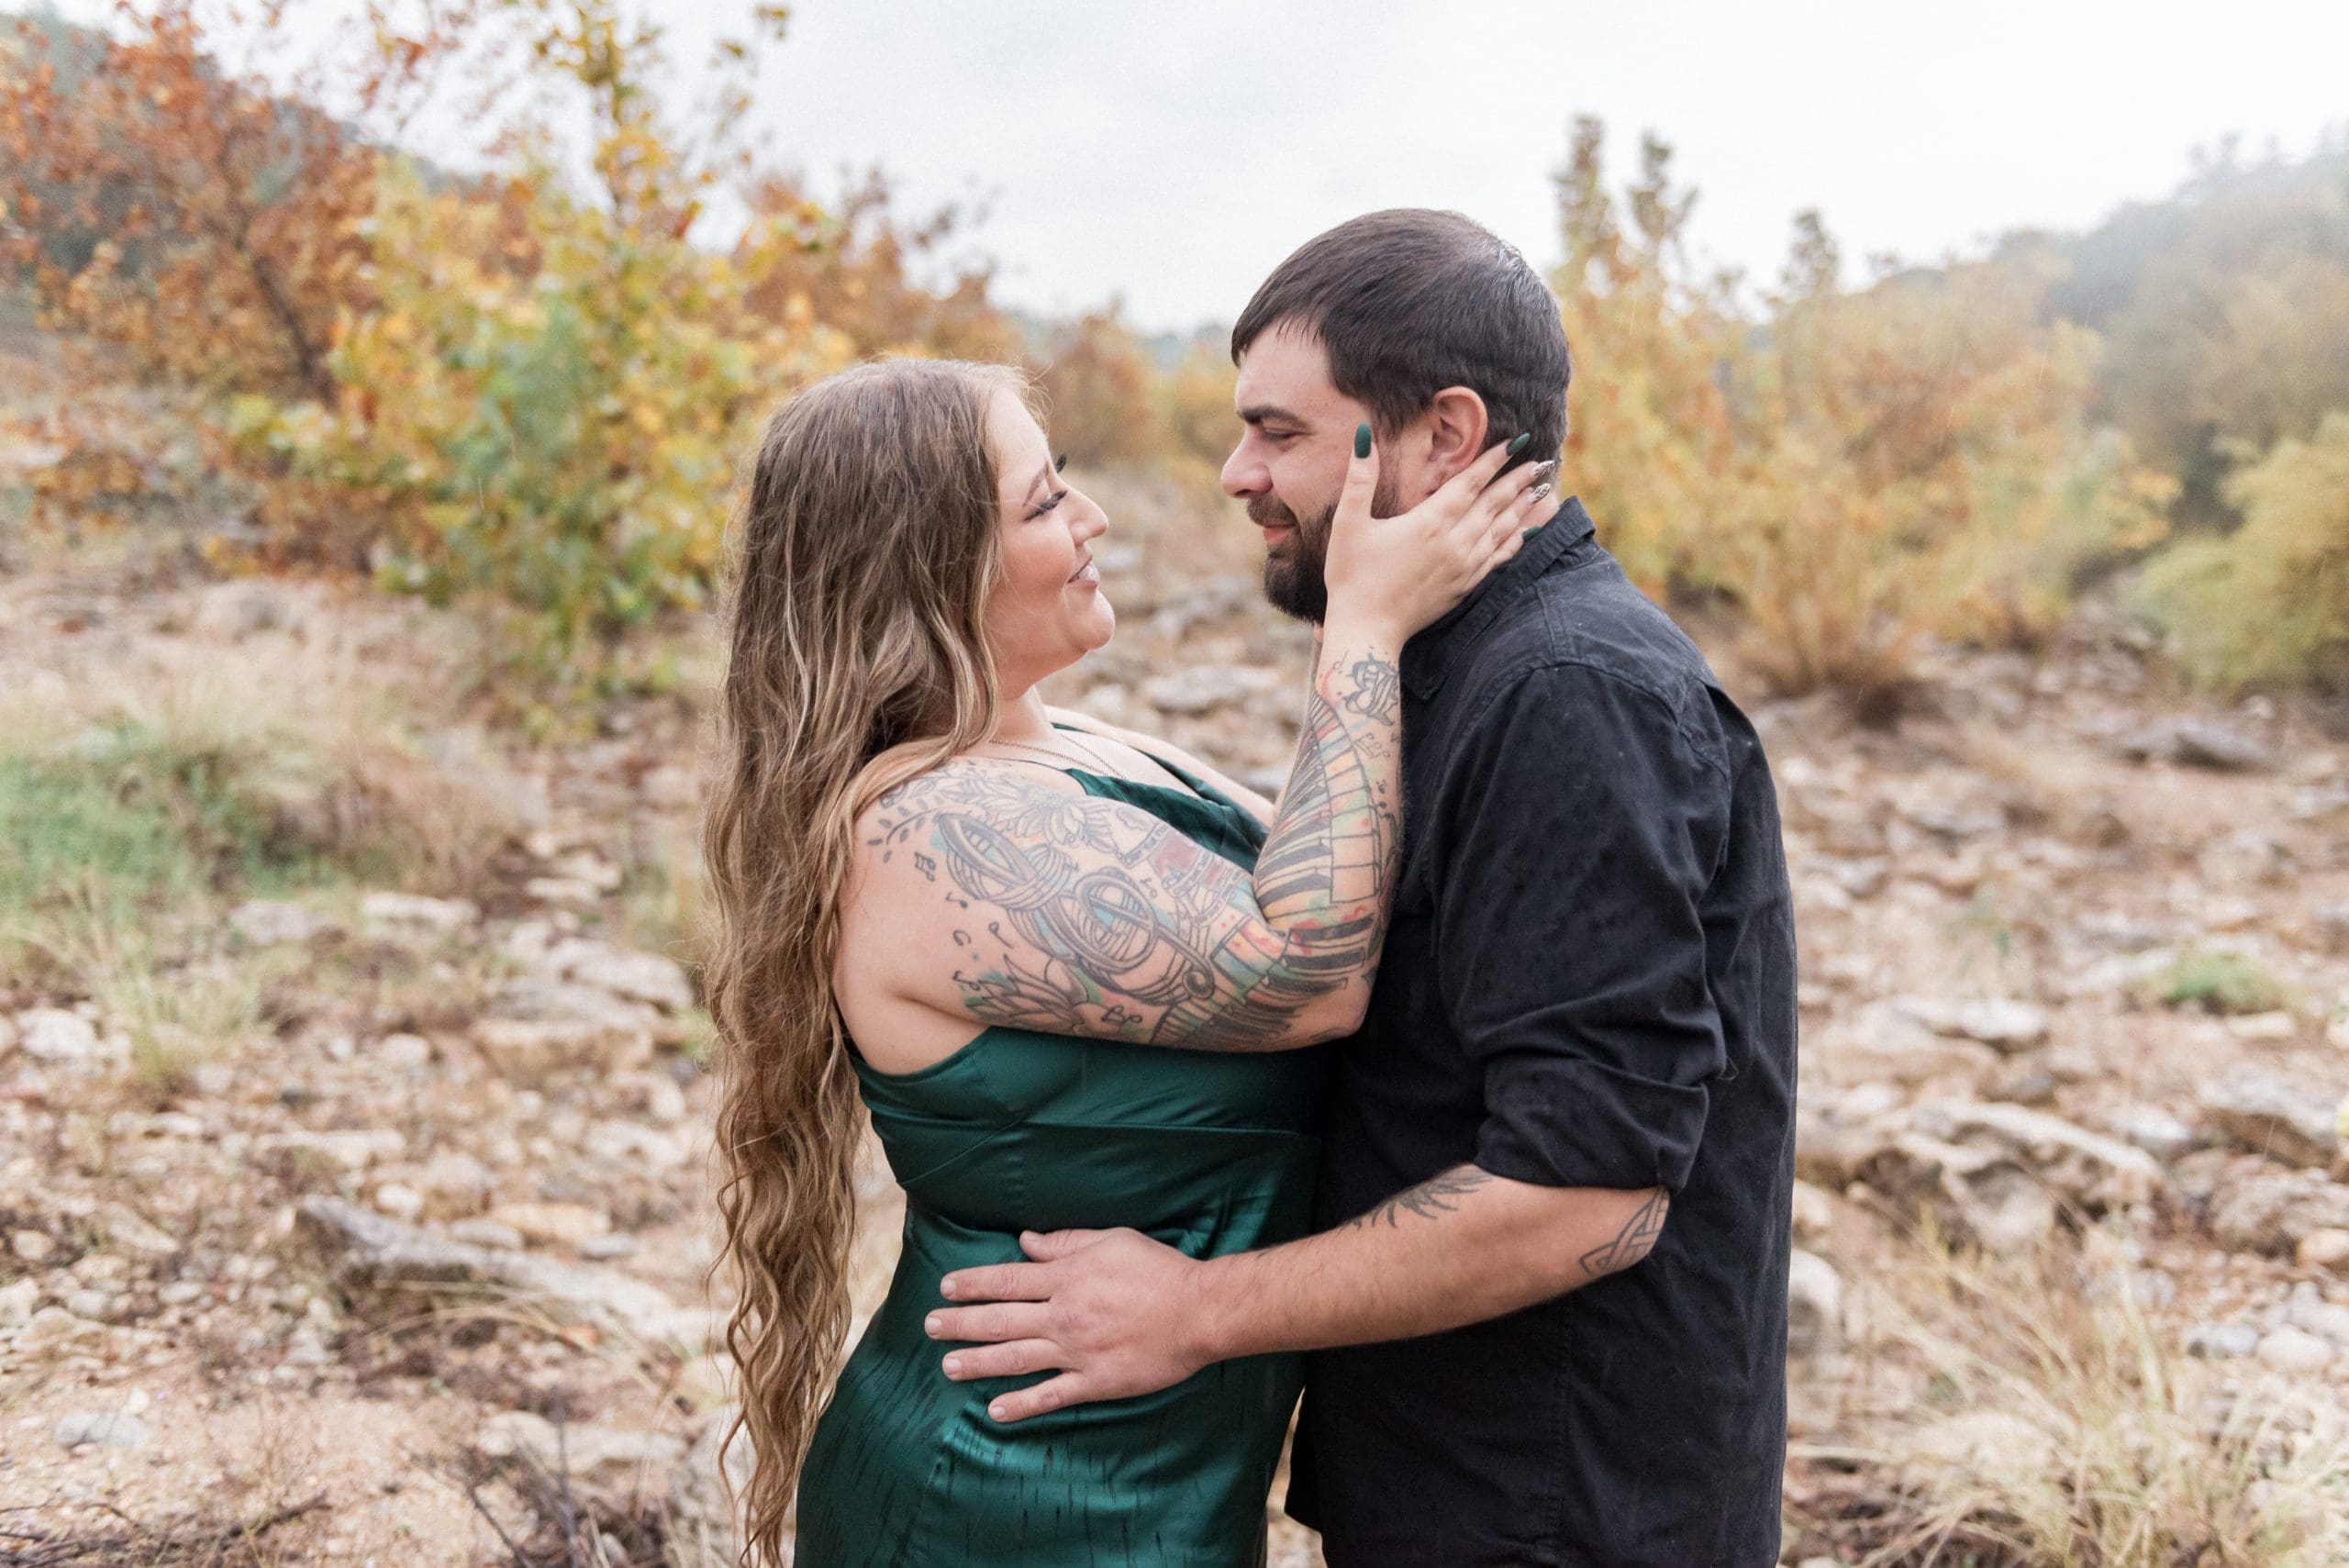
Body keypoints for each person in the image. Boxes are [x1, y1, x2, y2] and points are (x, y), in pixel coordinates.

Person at [926, 209, 1801, 1568]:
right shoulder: (1430, 656)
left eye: (1279, 432)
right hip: (1462, 1479)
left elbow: (1591, 1193)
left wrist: (1195, 1310)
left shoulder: (1571, 699)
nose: (1235, 472)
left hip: (1560, 1510)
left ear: (1442, 435)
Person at [698, 354, 1553, 1567]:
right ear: (928, 567)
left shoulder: (1054, 744)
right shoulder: (923, 831)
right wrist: (1362, 621)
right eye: (1045, 503)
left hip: (1152, 1469)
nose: (1094, 520)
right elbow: (1309, 966)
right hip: (1008, 1492)